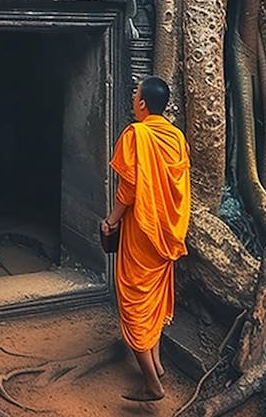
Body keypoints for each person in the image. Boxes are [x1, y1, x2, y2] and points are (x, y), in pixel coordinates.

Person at [101, 75, 191, 401]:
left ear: (142, 104)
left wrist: (111, 221)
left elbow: (128, 190)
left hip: (142, 231)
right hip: (167, 231)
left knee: (135, 302)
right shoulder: (176, 137)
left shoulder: (136, 135)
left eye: (135, 96)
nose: (133, 101)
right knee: (152, 298)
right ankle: (157, 363)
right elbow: (179, 188)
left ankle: (152, 384)